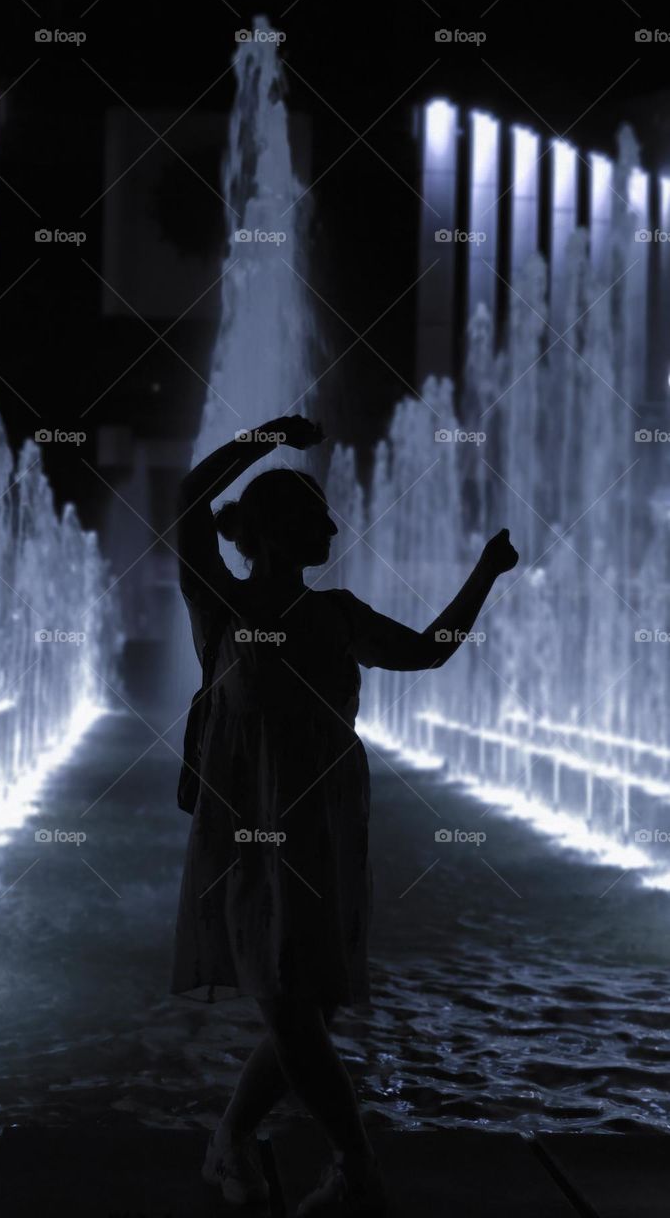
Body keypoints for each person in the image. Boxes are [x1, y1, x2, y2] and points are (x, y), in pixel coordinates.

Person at [170, 414, 518, 1216]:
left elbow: (431, 648)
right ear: (270, 532)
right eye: (311, 514)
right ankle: (355, 1164)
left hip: (324, 822)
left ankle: (229, 1141)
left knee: (305, 1000)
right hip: (248, 826)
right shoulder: (217, 601)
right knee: (285, 995)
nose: (331, 524)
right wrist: (264, 439)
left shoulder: (337, 616)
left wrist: (485, 573)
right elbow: (191, 494)